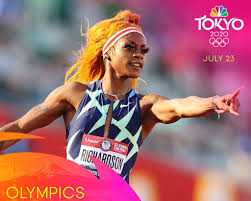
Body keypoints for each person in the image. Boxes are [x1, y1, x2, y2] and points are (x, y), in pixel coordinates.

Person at [0, 10, 242, 183]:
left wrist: (212, 102)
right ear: (108, 52)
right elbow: (20, 125)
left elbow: (180, 106)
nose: (139, 56)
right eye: (130, 47)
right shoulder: (74, 94)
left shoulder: (145, 106)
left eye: (143, 51)